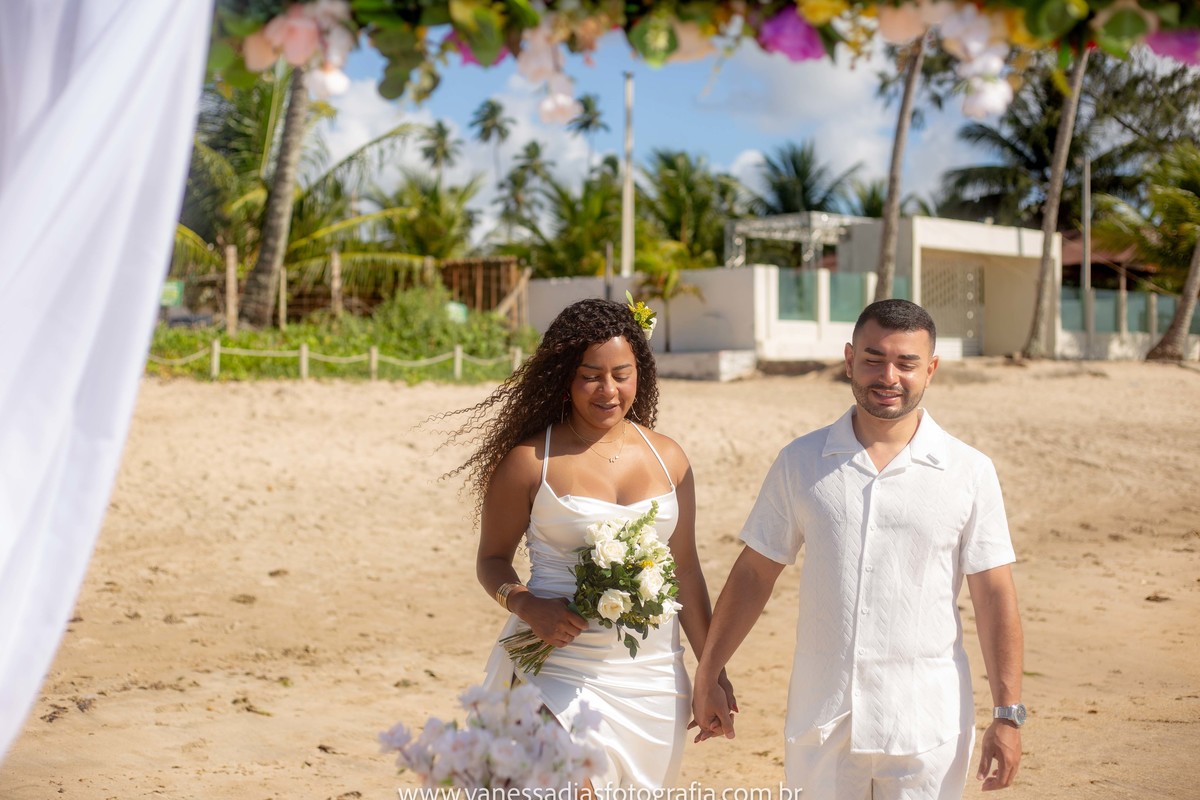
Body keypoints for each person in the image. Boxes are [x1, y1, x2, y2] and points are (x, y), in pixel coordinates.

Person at [691, 299, 1025, 799]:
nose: (888, 375)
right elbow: (755, 573)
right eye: (873, 359)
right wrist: (709, 672)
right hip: (822, 721)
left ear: (930, 370)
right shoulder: (801, 461)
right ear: (849, 360)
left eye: (906, 363)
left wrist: (1008, 715)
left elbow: (994, 593)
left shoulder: (969, 471)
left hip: (926, 725)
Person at [441, 297, 735, 791]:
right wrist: (526, 603)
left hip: (652, 677)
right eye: (590, 375)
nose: (608, 390)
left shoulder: (670, 459)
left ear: (640, 371)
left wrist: (712, 673)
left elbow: (684, 568)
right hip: (555, 664)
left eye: (621, 373)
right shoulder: (529, 461)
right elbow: (491, 560)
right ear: (564, 377)